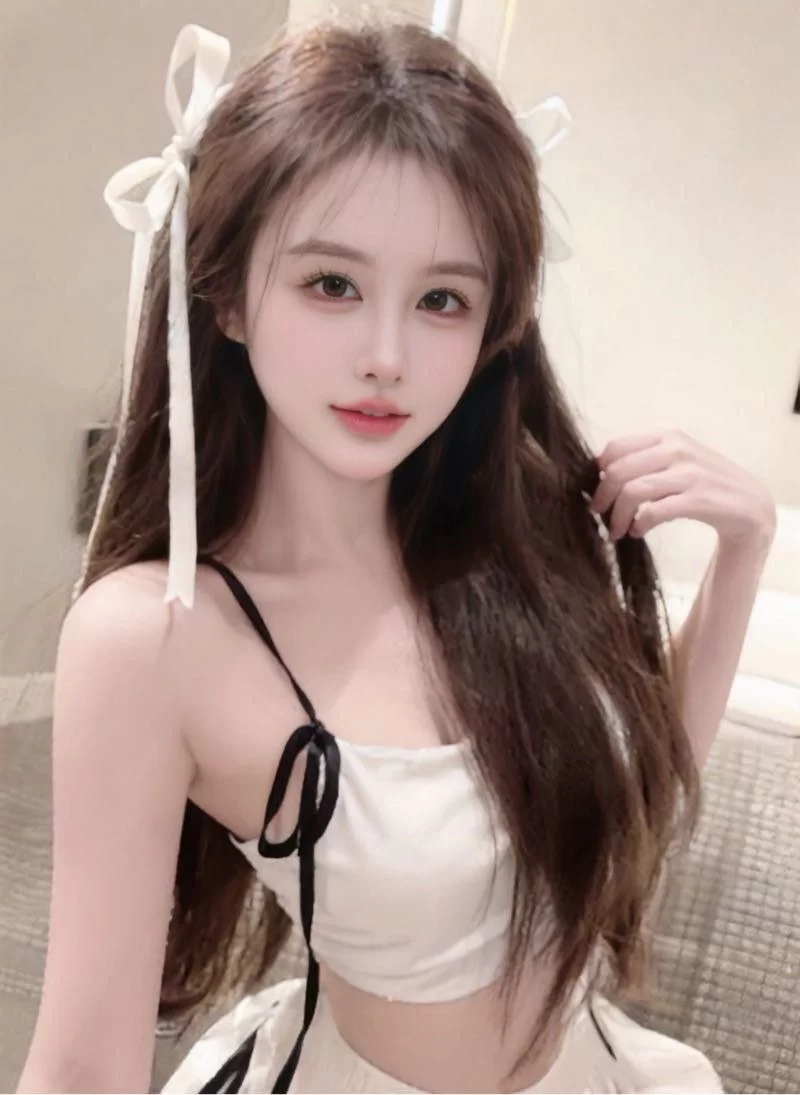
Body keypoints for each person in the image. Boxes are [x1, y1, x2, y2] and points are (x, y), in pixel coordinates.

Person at [17, 15, 777, 1095]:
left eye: (440, 300)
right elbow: (83, 1067)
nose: (387, 355)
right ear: (224, 294)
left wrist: (743, 554)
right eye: (331, 284)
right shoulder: (160, 634)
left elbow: (632, 815)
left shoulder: (525, 534)